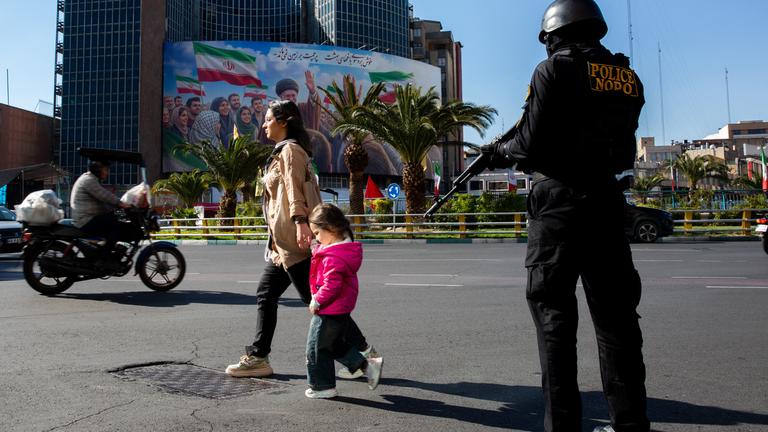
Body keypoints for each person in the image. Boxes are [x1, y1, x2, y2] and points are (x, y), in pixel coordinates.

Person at [481, 1, 649, 431]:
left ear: (555, 33)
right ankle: (630, 423)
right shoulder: (627, 77)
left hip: (558, 203)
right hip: (606, 200)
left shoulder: (552, 69)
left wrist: (497, 152)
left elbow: (531, 144)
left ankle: (563, 425)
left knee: (554, 317)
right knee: (617, 319)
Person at [225, 100, 378, 378]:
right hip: (281, 245)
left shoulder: (290, 151)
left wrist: (299, 222)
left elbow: (294, 189)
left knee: (319, 301)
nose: (264, 124)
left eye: (269, 119)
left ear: (284, 122)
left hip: (294, 240)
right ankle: (259, 356)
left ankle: (363, 358)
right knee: (266, 294)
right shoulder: (283, 151)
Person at [304, 203, 383, 399]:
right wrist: (317, 248)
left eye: (317, 233)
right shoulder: (340, 249)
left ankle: (322, 387)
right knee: (332, 345)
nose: (316, 238)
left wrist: (317, 301)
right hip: (340, 308)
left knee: (316, 347)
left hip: (329, 309)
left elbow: (331, 285)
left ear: (330, 228)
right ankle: (366, 365)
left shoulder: (333, 257)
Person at [70, 160, 140, 259]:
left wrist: (118, 207)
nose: (107, 173)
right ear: (98, 169)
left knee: (115, 219)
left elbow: (103, 202)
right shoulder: (89, 180)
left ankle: (108, 248)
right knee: (116, 223)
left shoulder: (91, 179)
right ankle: (104, 257)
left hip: (88, 217)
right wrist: (121, 204)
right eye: (105, 169)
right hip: (85, 219)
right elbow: (105, 196)